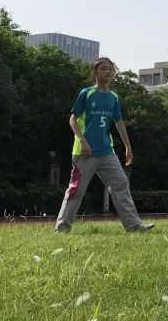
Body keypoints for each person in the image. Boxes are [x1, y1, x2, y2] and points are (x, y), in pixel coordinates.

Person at [55, 57, 154, 233]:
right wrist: (82, 140)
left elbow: (119, 122)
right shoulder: (86, 93)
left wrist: (128, 147)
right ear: (95, 72)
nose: (108, 72)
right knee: (76, 190)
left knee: (121, 183)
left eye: (111, 69)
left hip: (107, 152)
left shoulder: (114, 97)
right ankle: (62, 229)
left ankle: (134, 226)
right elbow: (73, 119)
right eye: (104, 69)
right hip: (84, 152)